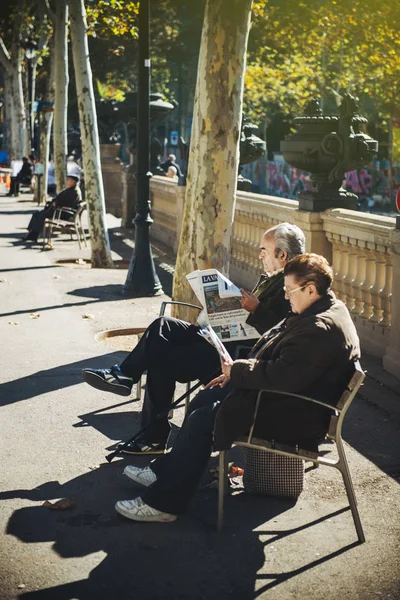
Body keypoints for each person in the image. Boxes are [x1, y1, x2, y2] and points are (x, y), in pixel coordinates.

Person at [114, 253, 361, 523]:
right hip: (289, 400)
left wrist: (239, 371)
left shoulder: (318, 327)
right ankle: (167, 473)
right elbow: (288, 369)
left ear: (311, 289)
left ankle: (164, 504)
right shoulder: (327, 308)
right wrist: (236, 373)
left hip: (295, 414)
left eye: (290, 291)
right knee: (205, 398)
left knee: (203, 418)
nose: (287, 297)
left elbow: (284, 376)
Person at [82, 223, 306, 455]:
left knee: (161, 360)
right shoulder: (274, 279)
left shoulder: (292, 287)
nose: (260, 254)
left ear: (282, 254)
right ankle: (125, 375)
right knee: (163, 325)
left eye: (265, 250)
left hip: (232, 356)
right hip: (222, 340)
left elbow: (280, 333)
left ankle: (152, 437)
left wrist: (255, 309)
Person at [23, 174, 81, 243]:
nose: (67, 181)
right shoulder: (71, 189)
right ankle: (31, 233)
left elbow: (68, 203)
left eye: (68, 180)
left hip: (62, 213)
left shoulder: (74, 192)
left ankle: (33, 235)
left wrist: (56, 203)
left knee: (42, 215)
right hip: (59, 210)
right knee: (36, 213)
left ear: (73, 181)